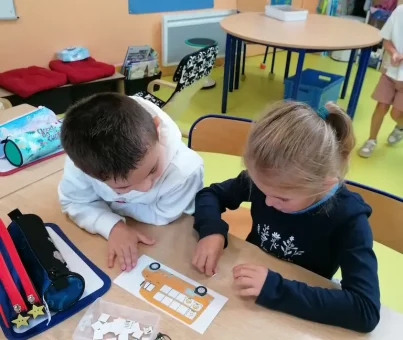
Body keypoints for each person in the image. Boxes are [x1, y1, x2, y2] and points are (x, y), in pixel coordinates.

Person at [193, 101, 380, 332]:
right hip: (245, 293)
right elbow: (210, 194)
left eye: (282, 199)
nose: (267, 201)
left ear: (324, 184)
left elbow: (365, 309)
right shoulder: (268, 181)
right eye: (262, 190)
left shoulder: (349, 219)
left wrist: (275, 288)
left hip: (293, 309)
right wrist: (211, 230)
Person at [59, 93, 203, 272]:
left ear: (157, 129)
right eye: (123, 187)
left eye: (152, 169)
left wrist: (108, 205)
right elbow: (73, 201)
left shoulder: (186, 171)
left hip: (168, 239)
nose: (146, 187)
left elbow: (164, 215)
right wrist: (112, 226)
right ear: (84, 172)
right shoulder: (86, 161)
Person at [359, 5, 403, 157]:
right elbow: (386, 39)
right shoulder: (399, 12)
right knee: (381, 105)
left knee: (396, 114)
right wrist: (394, 52)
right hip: (391, 70)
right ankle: (371, 140)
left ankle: (400, 127)